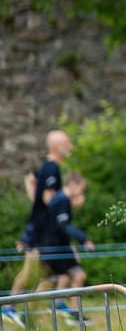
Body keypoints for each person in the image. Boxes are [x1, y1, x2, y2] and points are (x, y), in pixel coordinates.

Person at [2, 130, 72, 328]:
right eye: (67, 143)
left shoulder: (46, 167)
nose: (70, 147)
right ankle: (10, 307)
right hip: (42, 230)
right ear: (57, 146)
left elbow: (30, 179)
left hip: (39, 227)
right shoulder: (52, 168)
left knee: (47, 272)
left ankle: (25, 309)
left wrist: (36, 207)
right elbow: (49, 199)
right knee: (34, 269)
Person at [37, 171, 95, 327]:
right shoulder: (63, 200)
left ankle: (61, 307)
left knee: (60, 278)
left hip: (54, 246)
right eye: (81, 189)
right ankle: (70, 312)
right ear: (73, 185)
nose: (81, 193)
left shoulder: (59, 198)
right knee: (77, 275)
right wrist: (84, 238)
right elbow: (63, 226)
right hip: (55, 248)